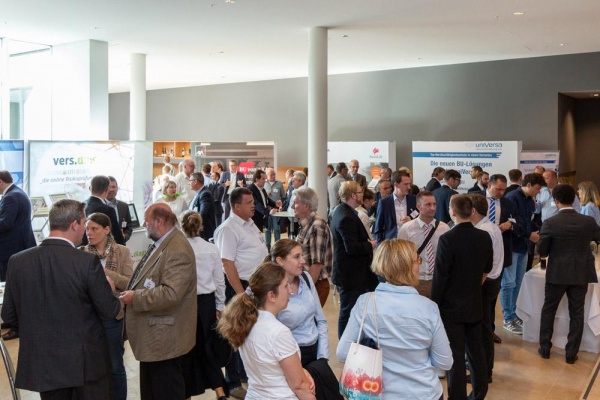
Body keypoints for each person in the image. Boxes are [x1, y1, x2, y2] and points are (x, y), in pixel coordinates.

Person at [1, 199, 121, 398]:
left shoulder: (18, 261)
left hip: (44, 363)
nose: (85, 230)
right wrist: (110, 292)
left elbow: (9, 315)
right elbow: (110, 310)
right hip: (85, 364)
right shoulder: (86, 262)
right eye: (83, 224)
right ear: (74, 224)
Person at [337, 239, 453, 399]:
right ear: (406, 268)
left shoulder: (366, 303)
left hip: (375, 393)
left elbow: (343, 353)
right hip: (424, 393)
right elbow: (445, 362)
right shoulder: (428, 308)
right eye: (417, 260)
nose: (420, 264)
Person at [119, 203, 197, 400]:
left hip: (165, 340)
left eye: (146, 220)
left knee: (165, 391)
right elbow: (143, 282)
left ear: (159, 221)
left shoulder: (177, 249)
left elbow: (171, 293)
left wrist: (135, 298)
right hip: (155, 341)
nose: (144, 224)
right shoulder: (163, 243)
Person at [217, 262, 316, 400]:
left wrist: (301, 371)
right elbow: (299, 386)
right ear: (271, 296)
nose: (290, 290)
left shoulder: (246, 322)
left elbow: (270, 365)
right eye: (285, 285)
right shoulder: (278, 332)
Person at [430, 194, 493, 400]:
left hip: (451, 309)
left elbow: (441, 276)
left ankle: (457, 397)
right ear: (472, 211)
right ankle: (479, 392)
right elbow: (487, 269)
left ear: (452, 212)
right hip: (475, 304)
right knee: (477, 354)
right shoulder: (484, 237)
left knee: (455, 357)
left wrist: (434, 305)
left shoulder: (447, 239)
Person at [213, 187, 268, 399]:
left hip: (252, 285)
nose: (253, 205)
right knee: (235, 333)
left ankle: (245, 373)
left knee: (248, 331)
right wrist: (239, 294)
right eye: (248, 202)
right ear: (236, 206)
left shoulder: (250, 224)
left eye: (253, 201)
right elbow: (226, 263)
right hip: (236, 285)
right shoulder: (229, 229)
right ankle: (232, 381)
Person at [537, 184, 600, 364]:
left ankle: (545, 348)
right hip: (581, 272)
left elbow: (542, 249)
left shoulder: (550, 223)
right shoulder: (587, 221)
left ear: (555, 201)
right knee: (577, 313)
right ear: (574, 199)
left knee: (549, 310)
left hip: (557, 272)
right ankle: (571, 354)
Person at [80, 212, 133, 400]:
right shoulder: (81, 253)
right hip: (89, 317)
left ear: (107, 229)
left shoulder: (122, 251)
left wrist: (105, 272)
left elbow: (129, 284)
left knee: (115, 364)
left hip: (113, 316)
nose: (89, 233)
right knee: (91, 364)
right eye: (87, 229)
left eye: (94, 229)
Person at [180, 211, 227, 400]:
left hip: (184, 303)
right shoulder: (211, 248)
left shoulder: (179, 249)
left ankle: (187, 394)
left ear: (181, 227)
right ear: (201, 227)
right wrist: (220, 305)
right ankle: (220, 391)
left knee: (186, 349)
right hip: (207, 302)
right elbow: (219, 280)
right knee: (208, 347)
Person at [330, 181, 378, 338]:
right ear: (353, 195)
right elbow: (352, 248)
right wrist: (369, 245)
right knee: (348, 311)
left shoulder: (341, 211)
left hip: (349, 272)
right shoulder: (346, 217)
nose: (362, 194)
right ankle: (345, 346)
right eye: (360, 192)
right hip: (350, 274)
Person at [270, 239, 329, 366]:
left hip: (315, 350)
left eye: (301, 255)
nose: (303, 261)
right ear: (280, 261)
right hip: (291, 356)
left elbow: (321, 320)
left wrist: (323, 357)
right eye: (297, 257)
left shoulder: (306, 278)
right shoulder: (272, 292)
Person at [502, 173, 544, 335]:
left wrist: (538, 230)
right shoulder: (513, 198)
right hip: (513, 246)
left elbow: (528, 221)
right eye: (537, 189)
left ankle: (514, 314)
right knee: (509, 283)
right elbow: (515, 223)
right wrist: (529, 235)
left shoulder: (529, 201)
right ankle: (507, 317)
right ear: (529, 184)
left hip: (524, 247)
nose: (538, 192)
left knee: (518, 282)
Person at [469, 194, 504, 383]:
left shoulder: (484, 231)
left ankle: (484, 372)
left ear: (472, 210)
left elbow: (484, 265)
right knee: (485, 328)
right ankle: (484, 369)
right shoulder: (491, 227)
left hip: (485, 284)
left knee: (482, 331)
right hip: (493, 282)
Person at [0, 170, 37, 340]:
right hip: (17, 248)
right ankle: (11, 320)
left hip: (11, 250)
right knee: (12, 288)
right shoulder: (17, 193)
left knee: (13, 289)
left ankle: (16, 326)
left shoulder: (11, 197)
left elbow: (5, 224)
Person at [397, 190, 450, 297]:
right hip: (415, 282)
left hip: (438, 281)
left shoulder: (444, 228)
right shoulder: (407, 229)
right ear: (418, 206)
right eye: (428, 204)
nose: (433, 208)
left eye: (434, 204)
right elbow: (400, 257)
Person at [292, 187, 334, 307]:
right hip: (309, 282)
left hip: (315, 284)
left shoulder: (317, 226)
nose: (292, 206)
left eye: (295, 203)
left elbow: (317, 265)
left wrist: (305, 292)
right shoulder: (306, 225)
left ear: (306, 206)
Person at [374, 170, 417, 245]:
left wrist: (412, 220)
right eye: (406, 184)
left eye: (409, 184)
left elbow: (421, 219)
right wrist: (380, 248)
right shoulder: (384, 203)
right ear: (396, 184)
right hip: (391, 245)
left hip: (411, 243)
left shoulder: (414, 200)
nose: (409, 187)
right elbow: (378, 229)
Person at [84, 175, 125, 245]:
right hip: (103, 251)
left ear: (90, 188)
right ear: (107, 189)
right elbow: (116, 236)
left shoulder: (82, 205)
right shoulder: (107, 210)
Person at [249, 169, 281, 233]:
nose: (265, 181)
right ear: (257, 180)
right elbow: (256, 204)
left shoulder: (262, 189)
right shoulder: (250, 189)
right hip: (254, 219)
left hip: (261, 219)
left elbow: (267, 200)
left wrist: (275, 203)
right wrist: (268, 211)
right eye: (263, 179)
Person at [189, 172, 217, 241]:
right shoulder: (199, 193)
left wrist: (193, 225)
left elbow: (203, 213)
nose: (188, 183)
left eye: (190, 181)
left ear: (195, 181)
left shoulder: (205, 194)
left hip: (203, 232)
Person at [264, 167, 286, 249]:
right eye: (271, 174)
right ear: (267, 175)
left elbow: (284, 196)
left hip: (276, 210)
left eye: (274, 174)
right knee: (267, 229)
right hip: (267, 210)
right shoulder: (264, 184)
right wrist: (266, 194)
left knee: (277, 229)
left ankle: (277, 247)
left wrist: (281, 205)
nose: (273, 176)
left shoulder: (279, 184)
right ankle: (267, 247)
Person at [106, 176, 133, 243]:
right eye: (109, 187)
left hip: (120, 245)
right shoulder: (100, 206)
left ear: (117, 188)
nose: (111, 189)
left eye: (113, 187)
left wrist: (125, 236)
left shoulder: (124, 206)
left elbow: (129, 226)